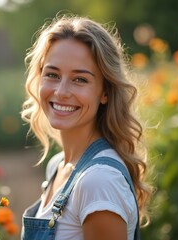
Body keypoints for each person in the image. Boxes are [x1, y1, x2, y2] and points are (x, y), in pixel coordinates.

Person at [20, 13, 152, 240]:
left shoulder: (98, 181)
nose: (61, 92)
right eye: (52, 74)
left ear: (105, 92)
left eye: (80, 79)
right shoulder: (57, 166)